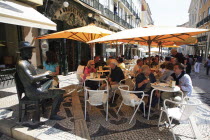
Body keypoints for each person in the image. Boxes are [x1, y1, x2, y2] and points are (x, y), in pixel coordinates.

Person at [16, 41, 65, 120]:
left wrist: (46, 77)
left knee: (52, 81)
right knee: (59, 93)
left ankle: (51, 93)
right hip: (33, 92)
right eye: (28, 51)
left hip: (36, 87)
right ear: (22, 52)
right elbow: (31, 79)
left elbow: (35, 77)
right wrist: (45, 74)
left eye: (31, 51)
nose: (31, 53)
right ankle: (53, 115)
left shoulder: (27, 63)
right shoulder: (22, 64)